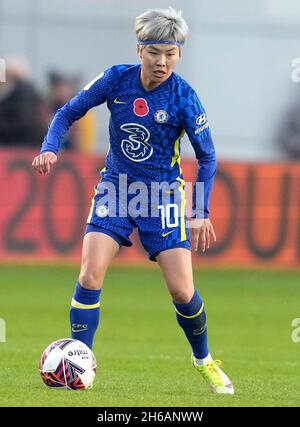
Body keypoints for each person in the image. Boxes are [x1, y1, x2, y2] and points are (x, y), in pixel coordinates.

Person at [32, 7, 234, 395]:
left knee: (182, 293)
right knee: (90, 274)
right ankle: (80, 362)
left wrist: (199, 209)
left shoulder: (184, 97)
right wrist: (50, 148)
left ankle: (204, 359)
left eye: (171, 54)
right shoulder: (116, 80)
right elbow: (67, 112)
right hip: (116, 189)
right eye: (155, 52)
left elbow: (207, 157)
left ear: (179, 55)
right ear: (139, 48)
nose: (162, 62)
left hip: (162, 197)